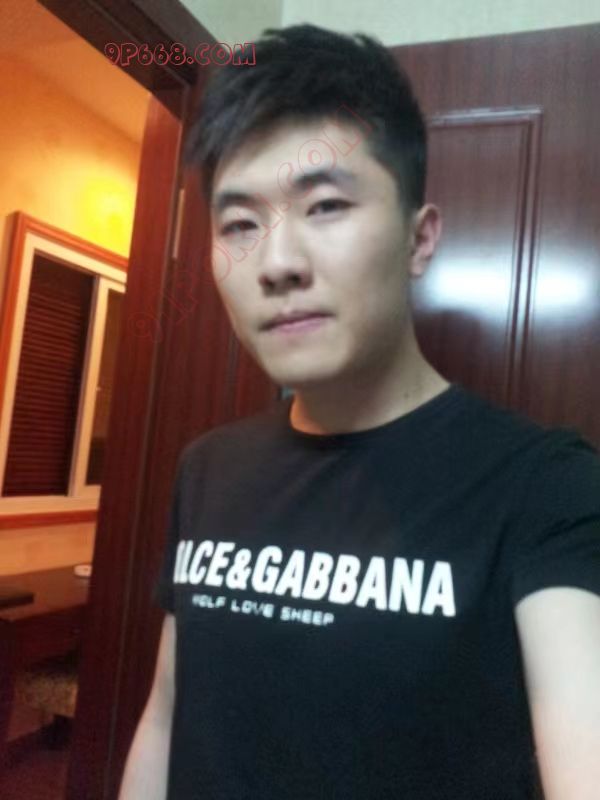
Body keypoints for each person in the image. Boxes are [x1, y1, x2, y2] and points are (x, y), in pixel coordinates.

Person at [118, 23, 600, 800]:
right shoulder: (206, 469)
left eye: (326, 206)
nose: (277, 263)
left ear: (420, 238)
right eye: (240, 225)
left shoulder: (543, 487)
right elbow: (167, 719)